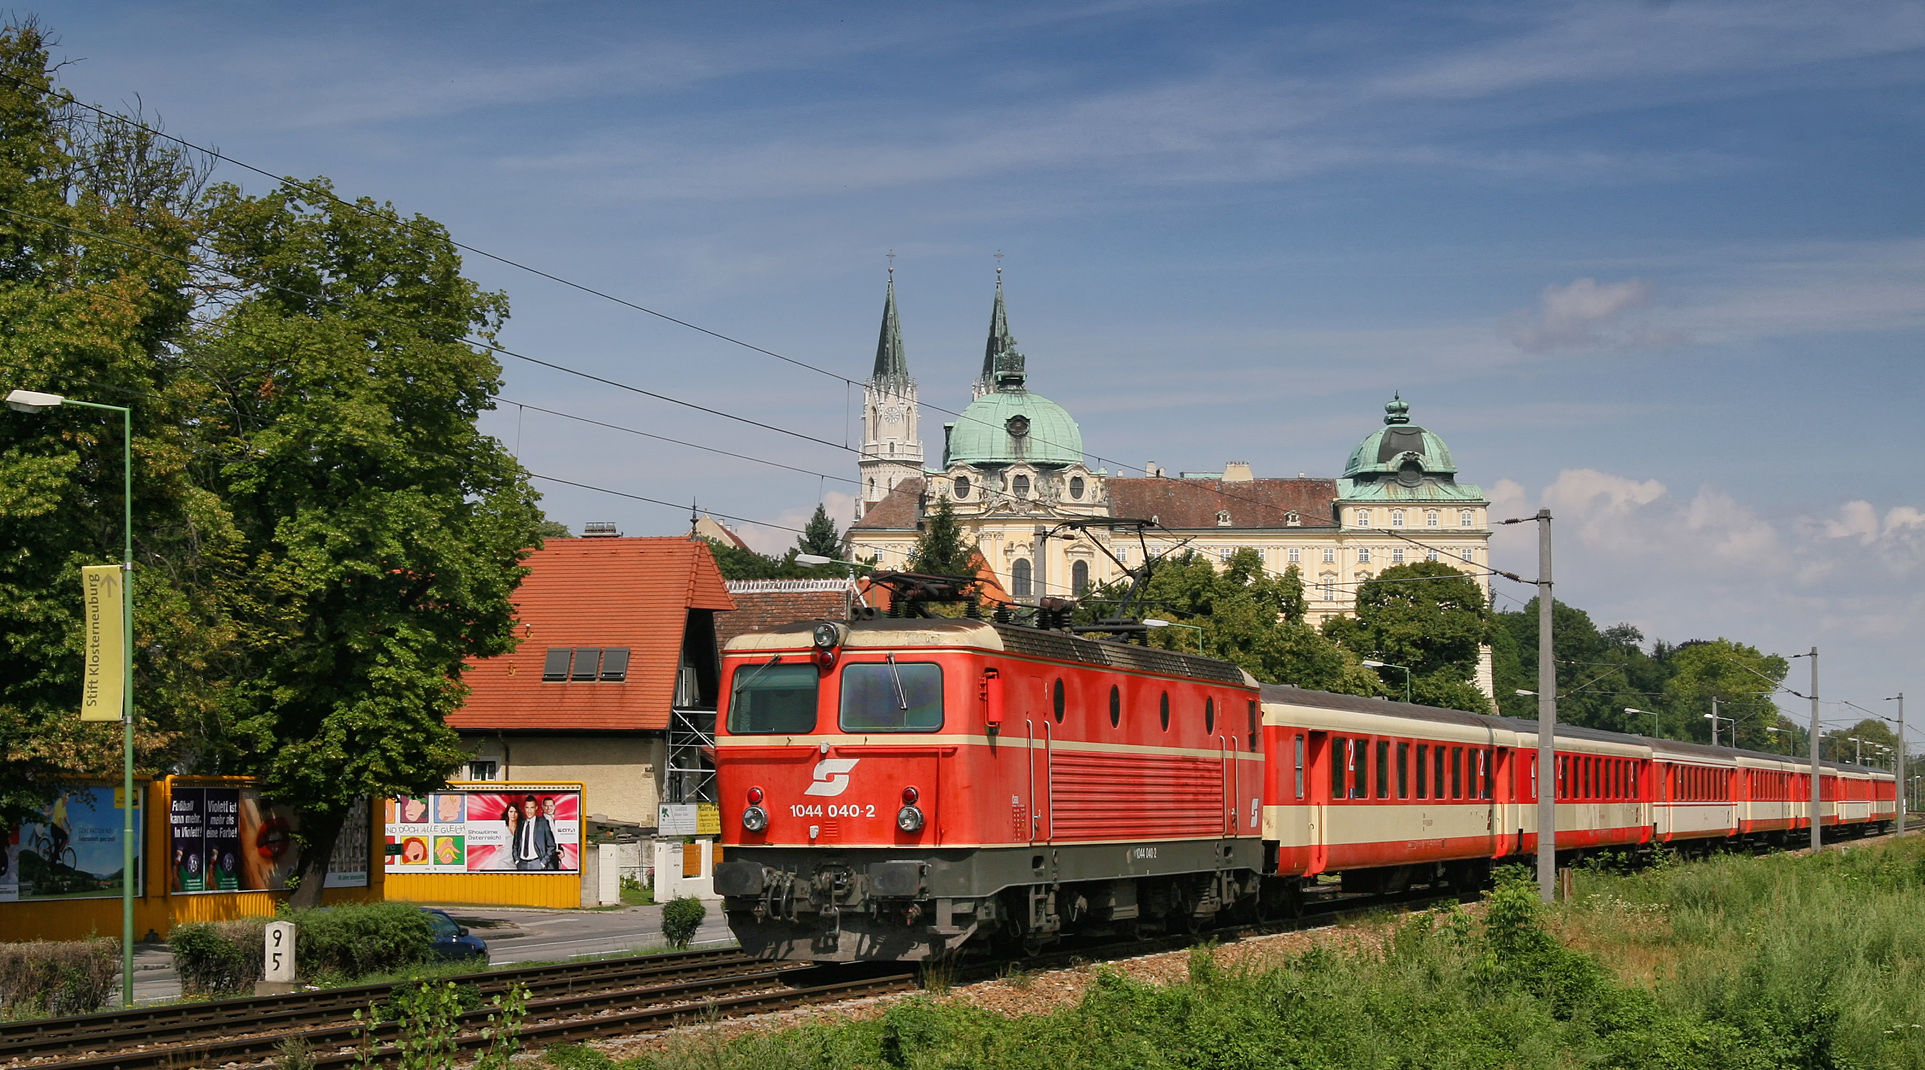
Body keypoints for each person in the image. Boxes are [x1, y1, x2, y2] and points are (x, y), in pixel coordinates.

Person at [511, 795, 554, 871]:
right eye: (527, 808)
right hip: (521, 863)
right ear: (524, 808)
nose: (529, 811)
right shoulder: (521, 823)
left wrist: (543, 863)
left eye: (532, 808)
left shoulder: (543, 823)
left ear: (536, 808)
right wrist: (517, 860)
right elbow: (515, 844)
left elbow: (551, 845)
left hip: (537, 863)